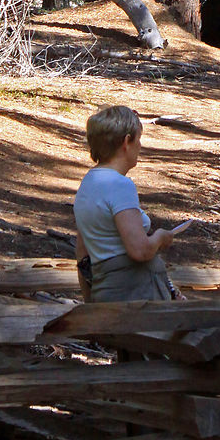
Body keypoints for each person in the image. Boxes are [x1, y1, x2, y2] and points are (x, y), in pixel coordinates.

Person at [73, 104, 182, 302]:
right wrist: (160, 237)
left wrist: (90, 302)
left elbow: (83, 252)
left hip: (106, 293)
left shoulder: (88, 182)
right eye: (138, 139)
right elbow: (140, 250)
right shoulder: (119, 184)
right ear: (126, 142)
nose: (140, 146)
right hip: (136, 295)